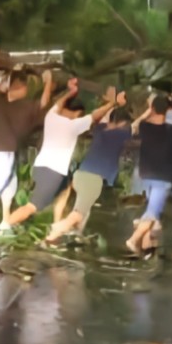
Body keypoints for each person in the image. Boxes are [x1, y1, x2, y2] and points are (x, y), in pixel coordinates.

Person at [3, 82, 123, 230]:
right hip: (53, 171)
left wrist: (70, 92)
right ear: (78, 113)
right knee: (33, 206)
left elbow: (58, 103)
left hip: (43, 168)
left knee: (64, 192)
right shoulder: (73, 126)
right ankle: (4, 225)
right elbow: (95, 116)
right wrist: (112, 103)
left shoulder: (51, 117)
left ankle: (56, 225)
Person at [0, 69, 54, 230]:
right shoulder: (1, 98)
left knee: (10, 183)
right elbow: (43, 103)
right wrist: (48, 82)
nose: (27, 91)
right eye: (25, 87)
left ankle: (5, 220)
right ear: (18, 86)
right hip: (1, 148)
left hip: (1, 148)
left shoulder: (16, 104)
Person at [46, 95, 131, 243]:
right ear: (123, 123)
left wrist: (114, 103)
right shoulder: (122, 134)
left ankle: (75, 238)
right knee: (78, 214)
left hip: (81, 175)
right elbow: (135, 126)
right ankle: (52, 236)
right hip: (93, 180)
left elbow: (102, 117)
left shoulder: (100, 129)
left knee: (84, 211)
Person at [126, 95, 172, 255]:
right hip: (163, 177)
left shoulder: (145, 127)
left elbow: (133, 126)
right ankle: (133, 240)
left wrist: (147, 112)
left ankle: (146, 249)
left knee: (151, 211)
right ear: (168, 110)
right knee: (152, 214)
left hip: (146, 174)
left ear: (152, 109)